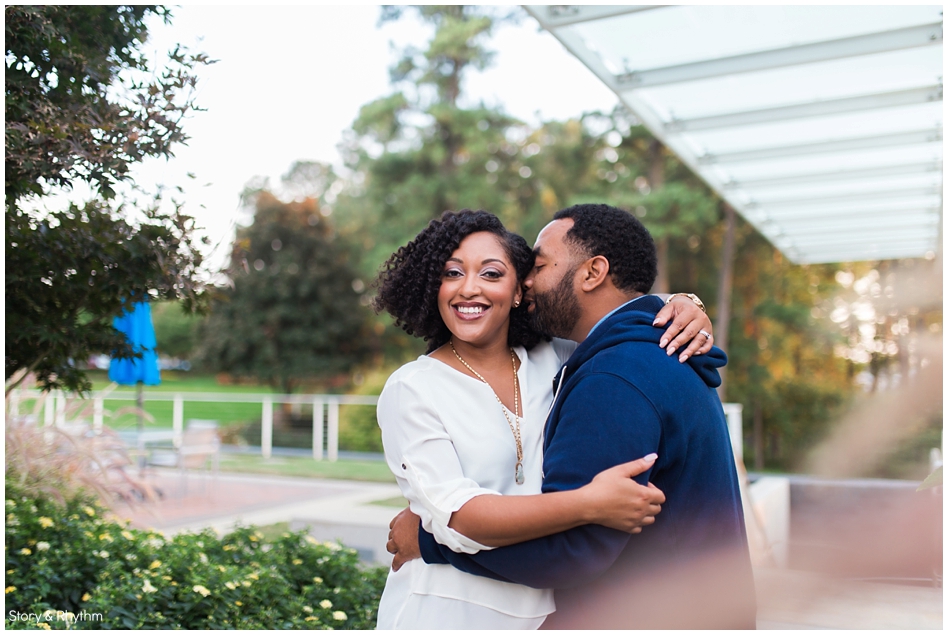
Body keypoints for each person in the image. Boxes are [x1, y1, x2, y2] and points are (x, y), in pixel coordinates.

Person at [393, 203, 757, 629]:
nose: (528, 282)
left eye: (538, 266)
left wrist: (427, 541)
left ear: (592, 272)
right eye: (452, 273)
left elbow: (572, 551)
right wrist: (677, 303)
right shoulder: (639, 350)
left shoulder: (612, 376)